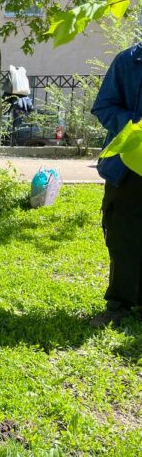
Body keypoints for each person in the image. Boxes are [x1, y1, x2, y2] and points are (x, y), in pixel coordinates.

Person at [89, 42, 142, 328]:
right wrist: (135, 125)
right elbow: (104, 105)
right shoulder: (129, 61)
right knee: (122, 232)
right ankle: (120, 303)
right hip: (128, 165)